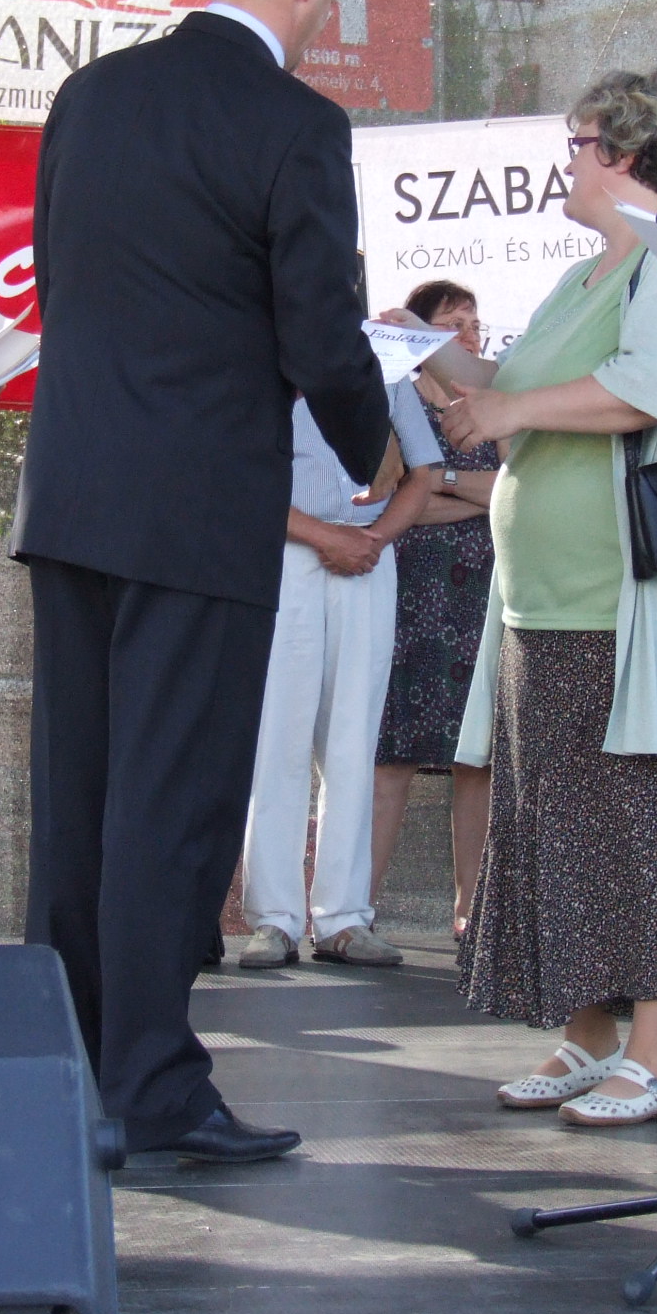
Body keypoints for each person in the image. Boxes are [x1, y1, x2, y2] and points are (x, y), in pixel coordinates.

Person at [10, 0, 393, 1164]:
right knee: (172, 799)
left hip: (74, 489)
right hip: (198, 505)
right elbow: (319, 328)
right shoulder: (297, 122)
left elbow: (58, 276)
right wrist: (378, 447)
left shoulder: (91, 95)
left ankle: (66, 1070)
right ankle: (155, 1086)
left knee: (80, 793)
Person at [417, 68, 657, 1129]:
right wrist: (422, 351)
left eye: (576, 142)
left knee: (630, 818)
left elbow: (645, 393)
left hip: (617, 596)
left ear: (620, 152)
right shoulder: (584, 275)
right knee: (560, 821)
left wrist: (507, 408)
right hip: (542, 598)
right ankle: (591, 1032)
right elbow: (513, 393)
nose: (564, 162)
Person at [237, 381, 438, 970]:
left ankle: (344, 918)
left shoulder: (387, 367)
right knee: (278, 742)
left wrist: (372, 539)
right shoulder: (262, 365)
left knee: (353, 744)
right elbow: (240, 475)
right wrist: (327, 537)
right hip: (284, 554)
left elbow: (423, 473)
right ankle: (273, 919)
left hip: (368, 560)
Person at [371, 281, 498, 938]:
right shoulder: (396, 399)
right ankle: (353, 908)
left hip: (483, 596)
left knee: (476, 758)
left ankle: (470, 909)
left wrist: (439, 480)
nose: (470, 335)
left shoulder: (494, 406)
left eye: (475, 323)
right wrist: (456, 494)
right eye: (453, 323)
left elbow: (508, 488)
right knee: (391, 753)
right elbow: (395, 498)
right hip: (410, 595)